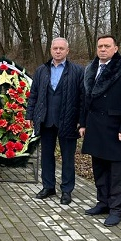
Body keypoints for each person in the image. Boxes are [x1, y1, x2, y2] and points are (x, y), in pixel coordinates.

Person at [79, 35, 121, 227]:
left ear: (116, 48)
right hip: (95, 125)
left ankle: (116, 209)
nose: (103, 49)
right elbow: (85, 100)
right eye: (100, 46)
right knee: (98, 167)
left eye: (107, 46)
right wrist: (83, 124)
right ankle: (103, 203)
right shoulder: (91, 68)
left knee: (115, 171)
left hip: (115, 127)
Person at [25, 37, 84, 205]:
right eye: (55, 48)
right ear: (50, 50)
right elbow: (33, 95)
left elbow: (83, 98)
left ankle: (66, 190)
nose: (58, 51)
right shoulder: (41, 70)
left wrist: (82, 121)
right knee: (46, 156)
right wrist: (30, 116)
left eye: (61, 49)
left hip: (69, 121)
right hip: (46, 120)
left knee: (68, 158)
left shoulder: (78, 71)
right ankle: (48, 186)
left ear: (67, 51)